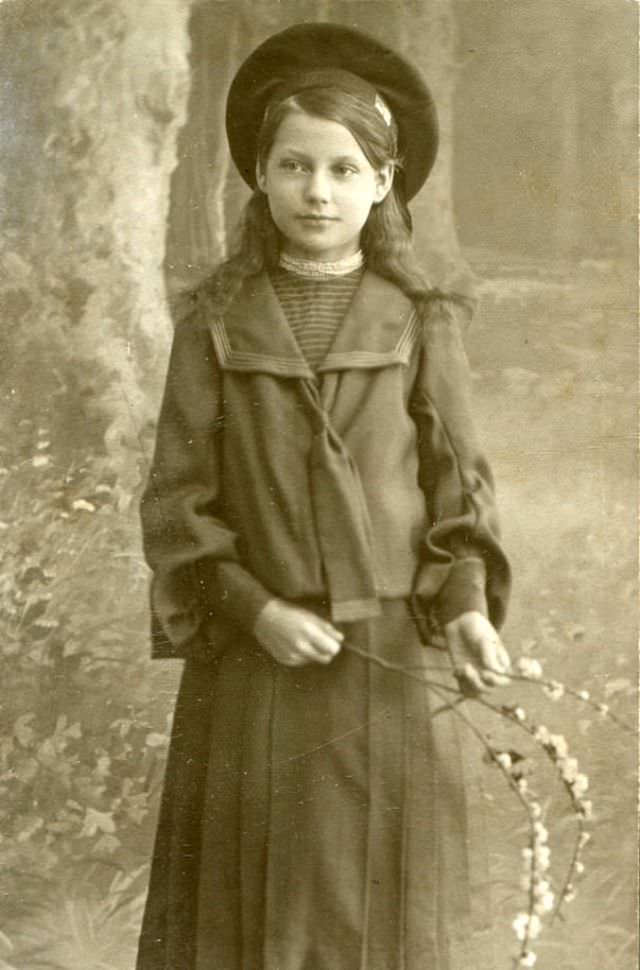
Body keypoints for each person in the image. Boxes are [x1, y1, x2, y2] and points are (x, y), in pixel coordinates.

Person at [136, 22, 512, 970]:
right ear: (259, 176)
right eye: (296, 166)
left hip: (381, 653)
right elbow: (178, 505)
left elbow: (457, 489)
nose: (318, 190)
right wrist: (254, 608)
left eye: (345, 169)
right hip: (254, 661)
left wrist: (464, 609)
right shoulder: (213, 324)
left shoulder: (420, 319)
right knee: (241, 905)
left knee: (369, 906)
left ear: (384, 182)